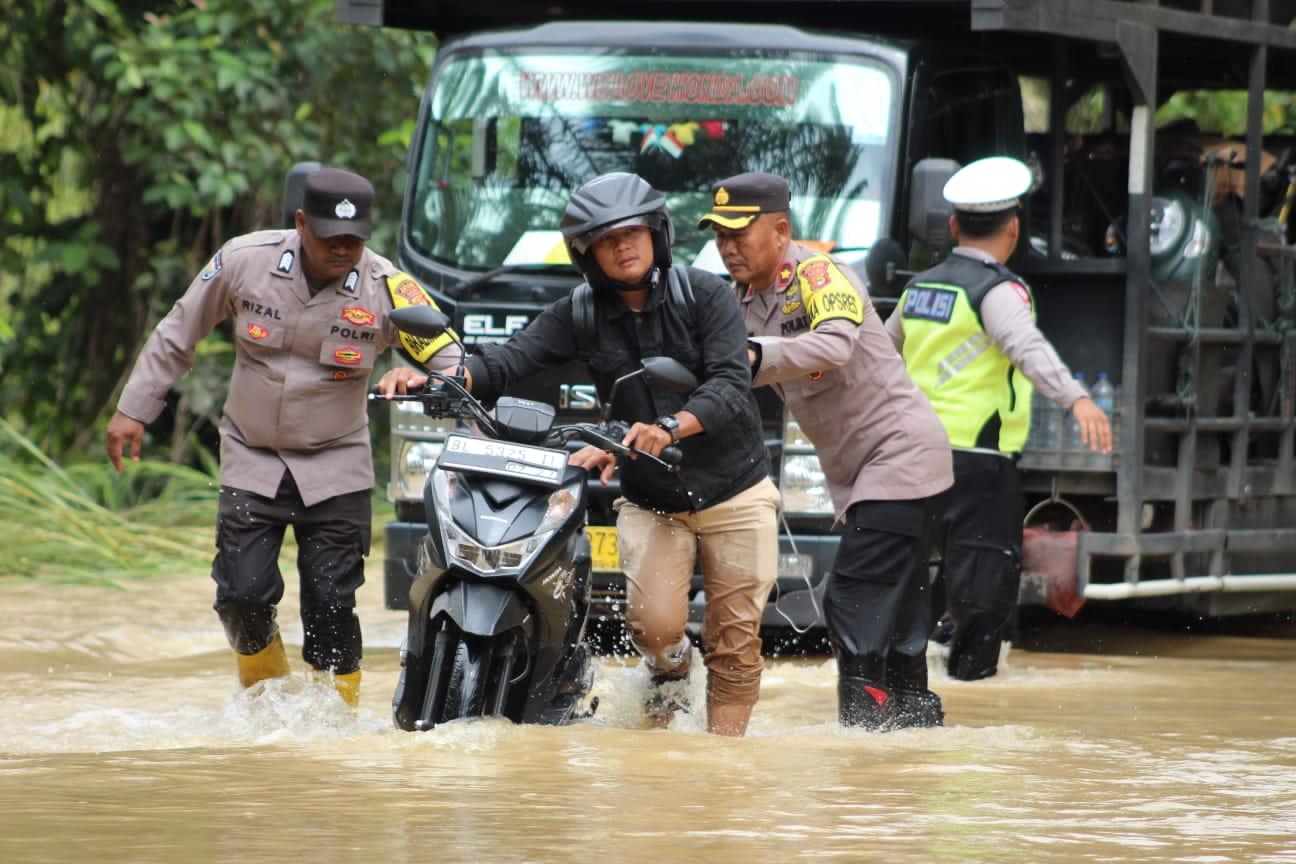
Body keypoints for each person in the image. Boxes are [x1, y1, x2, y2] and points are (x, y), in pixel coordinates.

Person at [418, 171, 780, 736]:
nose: (623, 246)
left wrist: (670, 426)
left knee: (736, 641)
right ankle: (673, 676)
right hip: (652, 497)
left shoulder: (705, 295)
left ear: (656, 235)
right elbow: (512, 359)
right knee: (655, 631)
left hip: (735, 489)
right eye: (608, 240)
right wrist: (448, 377)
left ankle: (721, 770)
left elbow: (732, 386)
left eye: (632, 233)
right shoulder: (580, 312)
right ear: (589, 255)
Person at [105, 166, 461, 708]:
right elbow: (180, 331)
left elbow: (449, 355)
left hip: (337, 466)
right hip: (253, 458)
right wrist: (134, 409)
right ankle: (265, 706)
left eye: (355, 239)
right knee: (241, 598)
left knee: (331, 608)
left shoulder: (386, 286)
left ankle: (333, 725)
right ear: (301, 223)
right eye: (331, 238)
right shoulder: (245, 261)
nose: (345, 250)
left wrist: (419, 374)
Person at [702, 172, 953, 730]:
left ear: (780, 230)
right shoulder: (742, 299)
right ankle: (908, 748)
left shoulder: (820, 274)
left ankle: (863, 742)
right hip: (871, 473)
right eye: (719, 235)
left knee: (851, 603)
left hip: (901, 460)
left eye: (738, 233)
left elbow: (836, 344)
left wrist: (749, 356)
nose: (727, 246)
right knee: (899, 623)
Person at [885, 156, 1113, 681]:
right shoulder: (999, 291)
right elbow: (1026, 347)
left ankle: (905, 688)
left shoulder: (922, 287)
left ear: (952, 226)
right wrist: (1076, 399)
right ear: (1013, 229)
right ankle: (971, 686)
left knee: (913, 577)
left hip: (910, 456)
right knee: (983, 589)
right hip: (978, 465)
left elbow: (880, 352)